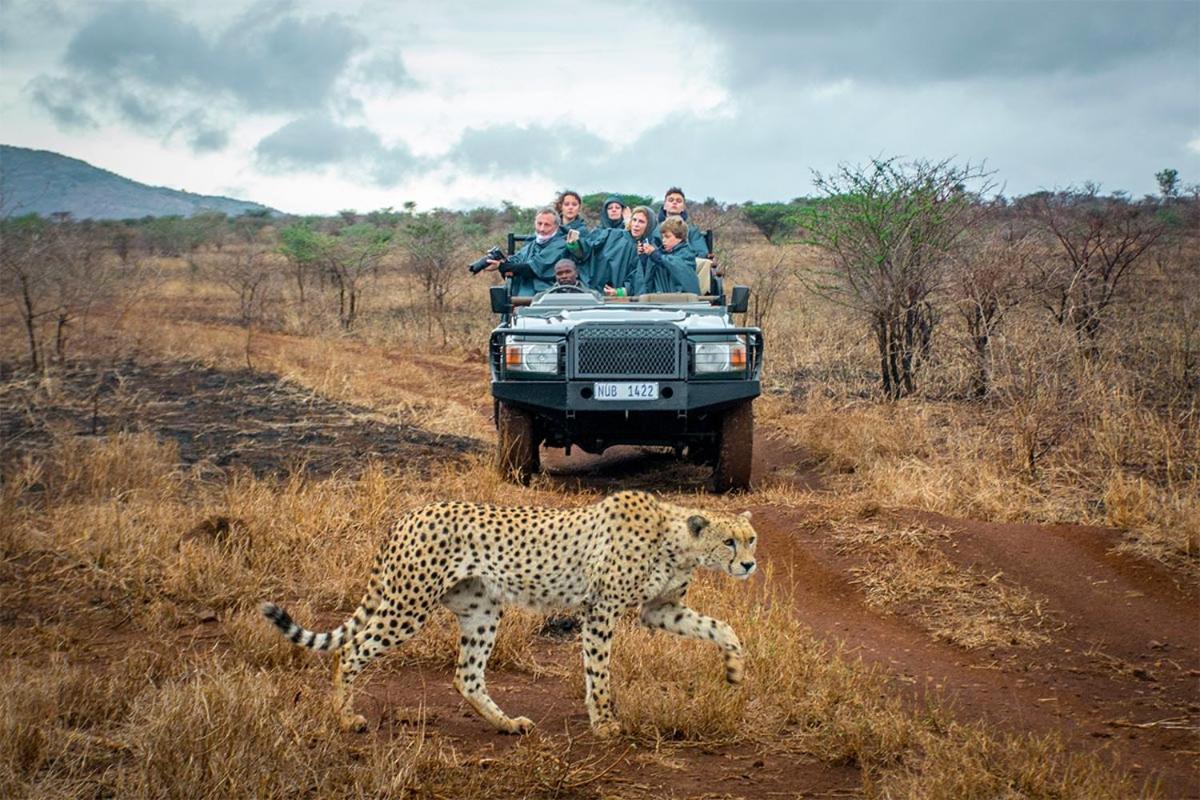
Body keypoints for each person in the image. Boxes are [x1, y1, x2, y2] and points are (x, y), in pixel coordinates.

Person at [486, 207, 567, 296]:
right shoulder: (533, 244)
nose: (542, 229)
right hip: (522, 296)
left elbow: (531, 268)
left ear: (556, 227)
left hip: (546, 295)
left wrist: (501, 266)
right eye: (539, 224)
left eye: (547, 225)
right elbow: (515, 260)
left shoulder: (560, 245)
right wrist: (498, 261)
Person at [631, 216, 701, 295]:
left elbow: (678, 266)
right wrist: (644, 259)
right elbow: (648, 281)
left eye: (667, 237)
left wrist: (657, 256)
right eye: (663, 237)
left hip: (680, 300)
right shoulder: (662, 253)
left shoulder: (687, 253)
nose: (663, 240)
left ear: (680, 237)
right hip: (660, 299)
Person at [599, 205, 657, 297]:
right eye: (634, 220)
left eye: (641, 222)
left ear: (649, 225)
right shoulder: (616, 236)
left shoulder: (652, 249)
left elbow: (641, 280)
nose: (636, 225)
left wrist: (619, 292)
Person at [653, 187, 712, 257]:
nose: (674, 203)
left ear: (683, 208)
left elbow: (702, 253)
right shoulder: (654, 230)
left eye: (679, 201)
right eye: (671, 200)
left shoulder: (692, 231)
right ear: (664, 206)